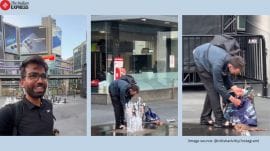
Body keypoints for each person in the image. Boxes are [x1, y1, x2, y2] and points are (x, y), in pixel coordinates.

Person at [193, 42, 245, 128]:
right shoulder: (218, 64)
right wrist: (232, 99)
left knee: (212, 90)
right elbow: (218, 86)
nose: (236, 74)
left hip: (209, 54)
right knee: (213, 89)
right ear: (230, 66)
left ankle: (205, 118)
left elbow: (225, 75)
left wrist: (234, 87)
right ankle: (219, 120)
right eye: (237, 72)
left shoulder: (229, 60)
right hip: (200, 59)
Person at [0, 55, 55, 136]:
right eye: (33, 75)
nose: (40, 81)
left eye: (43, 76)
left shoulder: (48, 105)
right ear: (22, 83)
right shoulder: (8, 113)